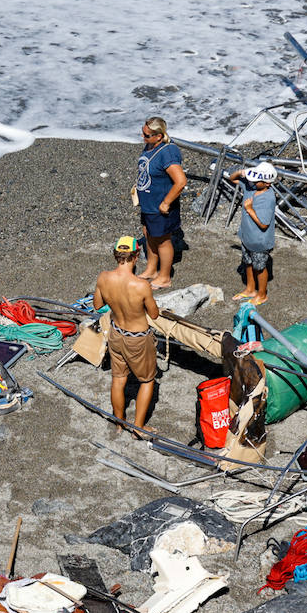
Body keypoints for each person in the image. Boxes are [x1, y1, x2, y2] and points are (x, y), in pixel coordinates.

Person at [93, 236, 160, 434]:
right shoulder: (141, 285)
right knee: (147, 381)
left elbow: (97, 305)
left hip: (116, 333)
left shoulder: (103, 277)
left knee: (119, 378)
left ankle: (119, 422)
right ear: (137, 255)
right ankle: (138, 427)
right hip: (137, 337)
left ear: (116, 255)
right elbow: (154, 314)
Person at [133, 116, 187, 289]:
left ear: (159, 136)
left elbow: (181, 181)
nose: (144, 137)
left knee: (162, 240)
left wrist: (166, 202)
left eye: (147, 135)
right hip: (149, 204)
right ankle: (151, 269)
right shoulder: (150, 146)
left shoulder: (167, 152)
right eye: (142, 133)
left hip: (160, 206)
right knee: (148, 234)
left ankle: (164, 276)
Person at [229, 163, 277, 305]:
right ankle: (250, 289)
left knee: (259, 268)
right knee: (248, 263)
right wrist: (242, 172)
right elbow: (232, 178)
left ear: (268, 183)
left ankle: (262, 294)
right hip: (247, 236)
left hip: (259, 241)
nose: (254, 182)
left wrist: (249, 209)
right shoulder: (251, 187)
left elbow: (264, 224)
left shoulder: (268, 198)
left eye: (257, 180)